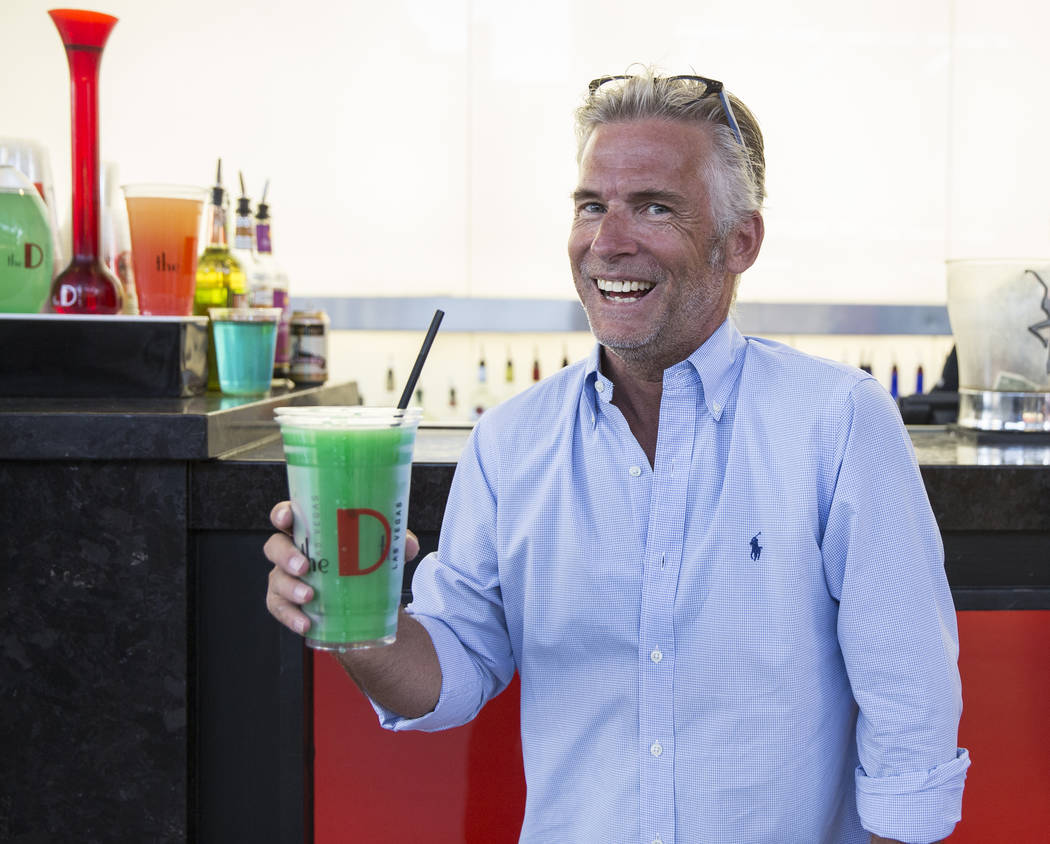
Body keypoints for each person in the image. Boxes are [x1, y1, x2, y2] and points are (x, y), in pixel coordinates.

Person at [265, 69, 969, 844]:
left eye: (654, 208)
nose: (608, 241)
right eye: (591, 205)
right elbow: (452, 672)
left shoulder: (836, 422)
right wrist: (358, 623)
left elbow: (913, 725)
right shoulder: (511, 442)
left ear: (740, 242)